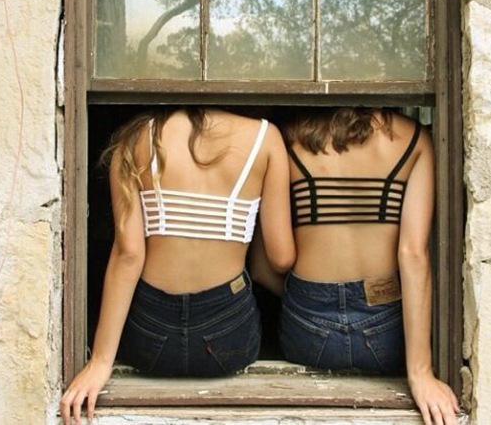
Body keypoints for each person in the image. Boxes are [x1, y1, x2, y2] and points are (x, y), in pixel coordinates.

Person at [60, 106, 295, 425]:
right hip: (228, 337)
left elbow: (129, 255)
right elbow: (280, 258)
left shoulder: (137, 138)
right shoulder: (266, 137)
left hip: (151, 339)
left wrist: (101, 361)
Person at [250, 106, 460, 425]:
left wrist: (307, 297)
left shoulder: (284, 140)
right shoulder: (414, 138)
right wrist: (421, 373)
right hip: (386, 331)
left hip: (308, 332)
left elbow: (262, 268)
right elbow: (413, 255)